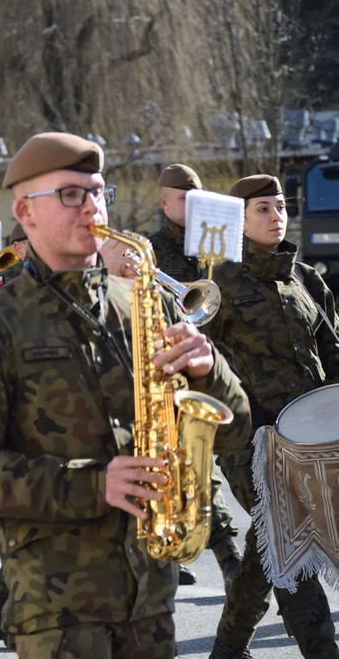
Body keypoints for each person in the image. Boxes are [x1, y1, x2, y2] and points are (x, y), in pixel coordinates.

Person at [0, 132, 252, 658]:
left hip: (151, 599)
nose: (92, 207)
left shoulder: (146, 305)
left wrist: (210, 369)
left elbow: (234, 429)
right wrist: (94, 484)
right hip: (58, 610)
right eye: (71, 194)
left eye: (99, 192)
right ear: (24, 212)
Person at [203, 174, 339, 659]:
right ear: (237, 220)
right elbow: (204, 366)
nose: (276, 215)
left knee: (269, 545)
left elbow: (333, 356)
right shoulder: (218, 283)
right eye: (262, 208)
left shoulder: (307, 279)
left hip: (311, 437)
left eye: (280, 206)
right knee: (290, 535)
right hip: (250, 440)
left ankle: (228, 646)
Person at [141, 164, 243, 590]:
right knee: (177, 466)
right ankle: (223, 555)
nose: (192, 207)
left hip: (214, 366)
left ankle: (225, 555)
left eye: (198, 200)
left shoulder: (215, 247)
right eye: (184, 200)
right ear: (165, 202)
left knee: (203, 468)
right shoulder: (150, 249)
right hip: (167, 367)